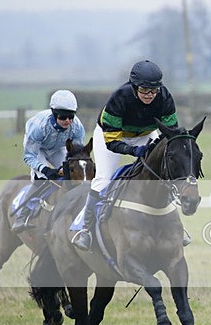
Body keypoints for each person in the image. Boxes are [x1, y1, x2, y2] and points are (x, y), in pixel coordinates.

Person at [71, 60, 179, 251]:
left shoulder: (165, 98)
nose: (150, 95)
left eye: (154, 91)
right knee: (103, 178)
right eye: (145, 90)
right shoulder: (120, 98)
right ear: (134, 86)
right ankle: (85, 230)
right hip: (112, 135)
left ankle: (174, 226)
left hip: (145, 134)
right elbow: (112, 142)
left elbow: (170, 134)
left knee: (162, 172)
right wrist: (133, 151)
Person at [11, 90, 86, 233]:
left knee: (71, 174)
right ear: (53, 112)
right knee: (42, 178)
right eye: (63, 116)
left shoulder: (77, 127)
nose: (68, 121)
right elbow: (29, 156)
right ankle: (23, 215)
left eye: (71, 116)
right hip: (37, 149)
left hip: (58, 149)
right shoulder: (38, 127)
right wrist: (45, 169)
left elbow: (77, 155)